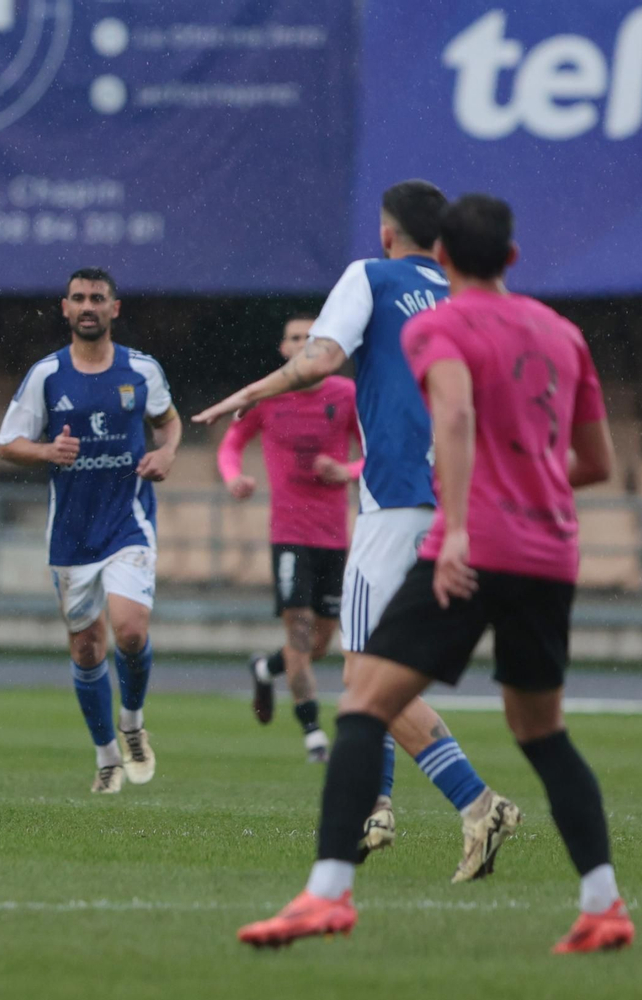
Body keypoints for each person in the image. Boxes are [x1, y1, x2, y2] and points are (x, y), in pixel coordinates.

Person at [239, 194, 632, 953]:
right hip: (549, 546)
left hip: (458, 533)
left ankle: (329, 892)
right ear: (514, 258)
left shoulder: (439, 323)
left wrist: (457, 521)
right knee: (543, 733)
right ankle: (603, 901)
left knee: (360, 699)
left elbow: (449, 417)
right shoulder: (561, 332)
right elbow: (596, 462)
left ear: (441, 256)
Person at [194, 181, 518, 883]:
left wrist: (245, 394)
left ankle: (478, 802)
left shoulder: (371, 276)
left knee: (364, 675)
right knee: (373, 669)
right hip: (464, 509)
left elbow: (319, 360)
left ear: (387, 233)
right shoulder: (469, 302)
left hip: (397, 504)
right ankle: (380, 805)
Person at [0, 268, 181, 793]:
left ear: (114, 308)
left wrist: (166, 452)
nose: (88, 306)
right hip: (73, 533)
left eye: (97, 298)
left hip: (128, 520)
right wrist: (46, 451)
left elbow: (169, 421)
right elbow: (8, 442)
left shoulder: (141, 370)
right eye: (78, 298)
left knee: (130, 631)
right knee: (85, 649)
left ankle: (134, 723)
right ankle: (106, 758)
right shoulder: (46, 375)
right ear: (65, 307)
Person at [219, 313, 360, 762]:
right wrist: (233, 476)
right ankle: (314, 734)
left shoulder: (347, 395)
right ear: (283, 349)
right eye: (296, 338)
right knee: (299, 638)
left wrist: (346, 471)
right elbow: (231, 443)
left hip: (335, 536)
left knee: (317, 645)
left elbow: (373, 452)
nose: (303, 345)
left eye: (313, 339)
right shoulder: (268, 395)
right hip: (289, 534)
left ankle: (264, 667)